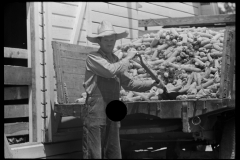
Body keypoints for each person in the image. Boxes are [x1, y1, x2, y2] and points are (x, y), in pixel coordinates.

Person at [82, 21, 162, 159]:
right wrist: (128, 57)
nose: (109, 43)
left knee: (113, 152)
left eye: (112, 40)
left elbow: (129, 83)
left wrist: (153, 83)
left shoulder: (116, 59)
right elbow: (110, 71)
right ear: (99, 41)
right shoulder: (93, 57)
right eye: (106, 40)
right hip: (95, 111)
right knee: (94, 153)